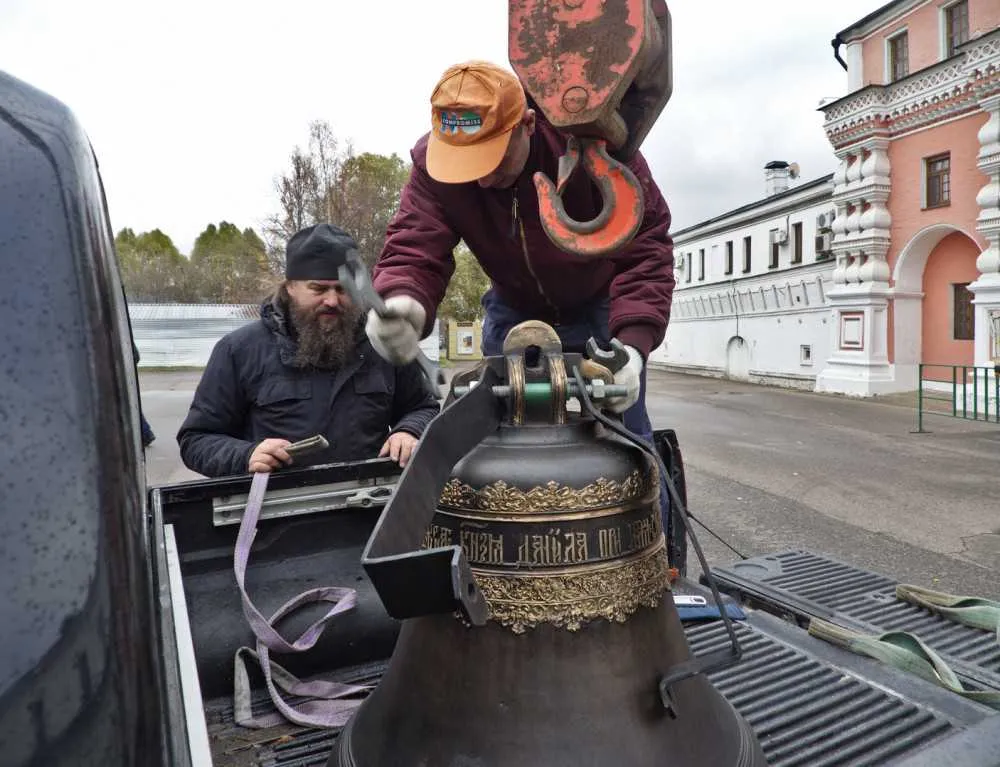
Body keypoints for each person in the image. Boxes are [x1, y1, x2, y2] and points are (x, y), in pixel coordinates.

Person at [364, 60, 675, 525]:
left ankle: (654, 550)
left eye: (491, 160)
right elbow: (415, 242)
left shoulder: (592, 142)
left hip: (599, 306)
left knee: (627, 436)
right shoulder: (434, 168)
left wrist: (632, 346)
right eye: (465, 165)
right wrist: (403, 300)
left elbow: (646, 248)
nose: (480, 180)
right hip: (513, 310)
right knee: (488, 440)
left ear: (527, 124)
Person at [176, 223, 439, 478]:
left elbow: (423, 407)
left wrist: (409, 431)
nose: (332, 300)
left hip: (369, 498)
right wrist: (245, 455)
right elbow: (196, 440)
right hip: (278, 504)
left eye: (342, 289)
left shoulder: (383, 343)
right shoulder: (239, 350)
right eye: (318, 288)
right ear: (290, 286)